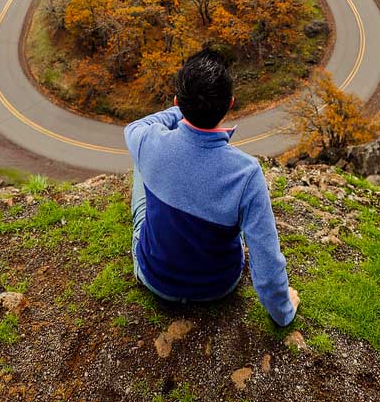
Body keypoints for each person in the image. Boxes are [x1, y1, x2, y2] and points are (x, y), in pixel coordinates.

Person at [124, 48, 299, 326]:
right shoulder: (246, 172)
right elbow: (266, 260)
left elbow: (134, 127)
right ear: (230, 103)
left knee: (141, 163)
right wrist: (284, 311)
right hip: (218, 286)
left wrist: (180, 110)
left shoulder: (148, 140)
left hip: (156, 279)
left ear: (177, 102)